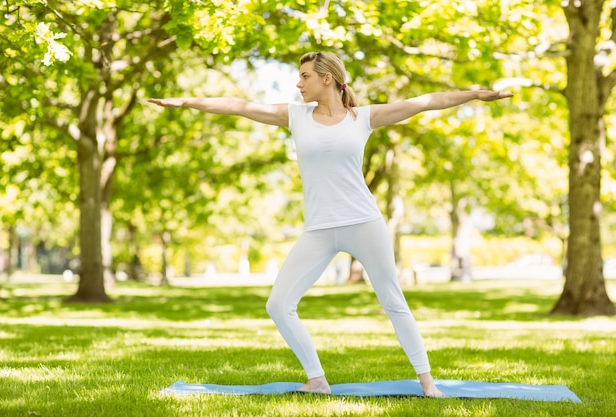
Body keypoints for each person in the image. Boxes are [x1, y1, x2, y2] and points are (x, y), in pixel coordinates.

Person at [148, 51, 512, 397]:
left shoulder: (364, 117)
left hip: (364, 222)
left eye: (304, 76)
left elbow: (425, 101)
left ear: (327, 79)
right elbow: (240, 107)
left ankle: (428, 382)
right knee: (278, 305)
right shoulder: (295, 116)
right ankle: (317, 379)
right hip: (319, 230)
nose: (298, 84)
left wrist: (474, 95)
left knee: (393, 301)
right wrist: (186, 101)